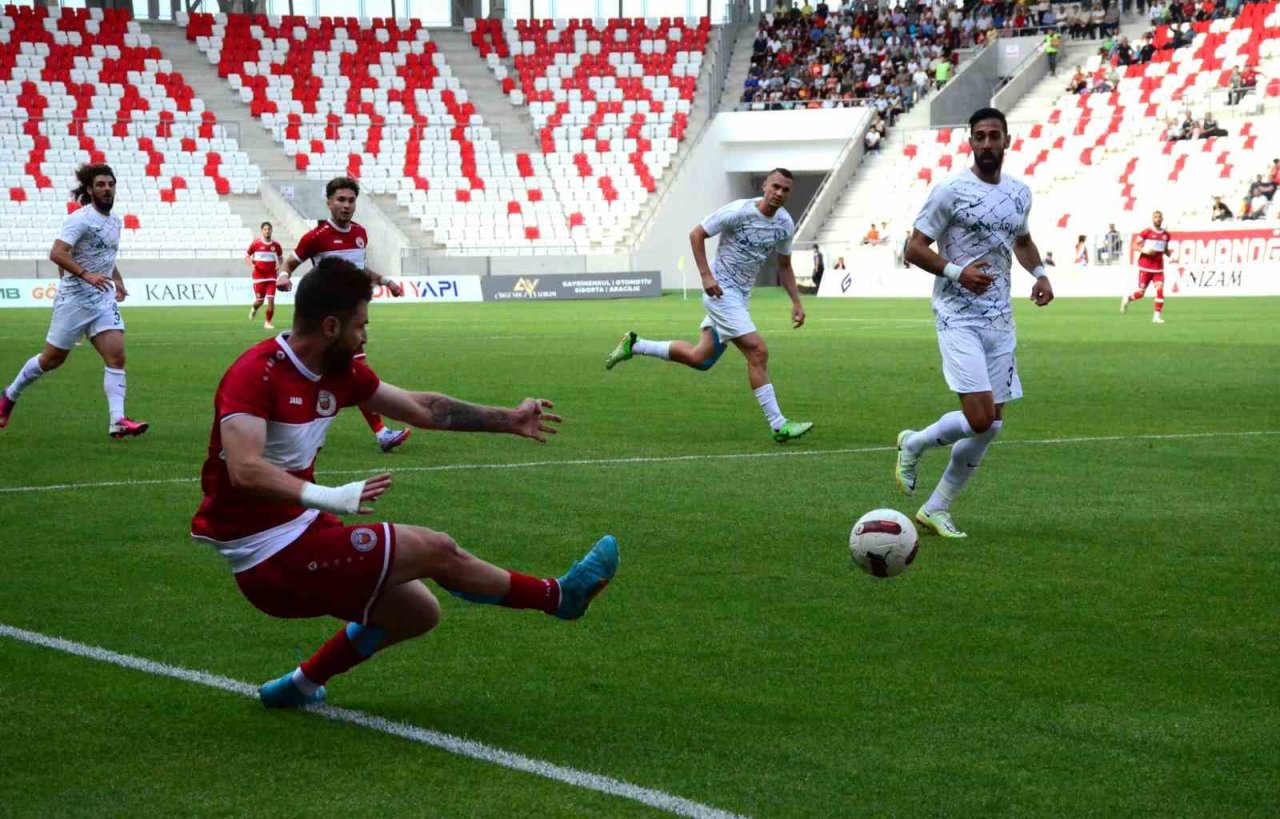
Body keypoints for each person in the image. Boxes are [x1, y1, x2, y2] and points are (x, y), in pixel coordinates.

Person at [191, 258, 618, 708]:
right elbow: (245, 469)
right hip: (266, 555)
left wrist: (508, 419)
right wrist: (328, 496)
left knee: (415, 613)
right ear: (331, 326)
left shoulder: (341, 372)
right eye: (361, 325)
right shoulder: (255, 373)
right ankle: (559, 596)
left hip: (303, 530)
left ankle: (298, 687)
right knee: (435, 549)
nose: (366, 336)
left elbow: (423, 408)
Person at [895, 107, 1055, 539]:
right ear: (970, 142)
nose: (987, 144)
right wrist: (957, 271)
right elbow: (914, 248)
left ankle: (936, 508)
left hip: (1000, 320)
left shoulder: (1020, 193)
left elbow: (1021, 240)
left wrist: (1039, 275)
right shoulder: (950, 190)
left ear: (1007, 141)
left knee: (993, 424)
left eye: (994, 136)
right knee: (981, 419)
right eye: (980, 137)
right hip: (957, 316)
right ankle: (915, 443)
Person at [604, 168, 813, 444]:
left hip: (739, 296)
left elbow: (784, 266)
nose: (779, 193)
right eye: (775, 186)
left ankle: (635, 344)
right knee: (758, 351)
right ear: (764, 185)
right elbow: (697, 234)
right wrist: (705, 275)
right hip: (721, 292)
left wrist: (796, 301)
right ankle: (779, 424)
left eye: (785, 190)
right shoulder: (738, 211)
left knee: (700, 358)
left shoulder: (785, 224)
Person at [0, 163, 147, 437]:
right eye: (100, 185)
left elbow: (105, 257)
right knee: (51, 360)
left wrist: (118, 280)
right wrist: (85, 274)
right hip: (75, 300)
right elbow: (57, 253)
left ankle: (118, 420)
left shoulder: (116, 221)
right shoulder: (80, 219)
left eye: (110, 184)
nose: (106, 189)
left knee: (116, 356)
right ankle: (9, 394)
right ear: (90, 190)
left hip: (102, 299)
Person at [276, 177, 411, 453]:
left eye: (351, 200)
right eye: (341, 200)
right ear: (329, 203)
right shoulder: (317, 237)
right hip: (325, 319)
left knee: (345, 373)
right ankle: (304, 428)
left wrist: (386, 281)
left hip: (350, 318)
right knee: (338, 373)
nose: (346, 205)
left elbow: (359, 270)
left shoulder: (360, 233)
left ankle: (373, 432)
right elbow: (290, 262)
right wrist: (282, 276)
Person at [1122, 210, 1172, 323]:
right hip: (1145, 267)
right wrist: (1145, 250)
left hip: (1158, 268)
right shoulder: (1146, 232)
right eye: (1156, 217)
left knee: (1160, 290)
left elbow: (1165, 248)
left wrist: (1170, 255)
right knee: (1141, 293)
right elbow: (1134, 246)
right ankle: (1127, 299)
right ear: (1153, 219)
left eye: (1159, 217)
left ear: (1162, 219)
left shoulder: (1166, 235)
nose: (1158, 219)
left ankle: (1156, 317)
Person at [246, 221, 283, 330]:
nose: (267, 231)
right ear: (262, 231)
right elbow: (247, 256)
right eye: (265, 229)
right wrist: (251, 264)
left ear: (271, 231)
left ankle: (268, 322)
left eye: (269, 229)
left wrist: (279, 263)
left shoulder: (276, 245)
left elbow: (280, 257)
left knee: (271, 299)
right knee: (259, 301)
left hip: (271, 276)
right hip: (258, 277)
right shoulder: (256, 244)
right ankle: (254, 308)